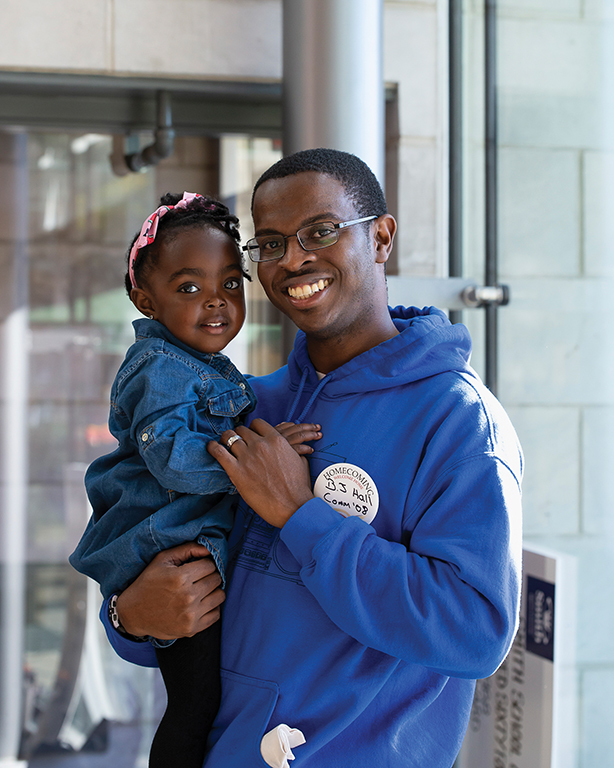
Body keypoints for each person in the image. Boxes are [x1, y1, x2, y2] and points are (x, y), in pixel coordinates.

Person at [100, 150, 523, 768]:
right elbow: (152, 550)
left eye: (320, 232)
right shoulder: (241, 406)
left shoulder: (458, 421)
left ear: (380, 237)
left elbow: (474, 631)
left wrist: (301, 514)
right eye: (269, 244)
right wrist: (129, 616)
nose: (294, 259)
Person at [69, 191, 320, 768]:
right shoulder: (162, 367)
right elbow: (171, 460)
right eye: (189, 288)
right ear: (144, 298)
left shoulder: (207, 369)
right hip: (175, 551)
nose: (216, 302)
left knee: (202, 701)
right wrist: (260, 463)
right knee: (194, 704)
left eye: (232, 284)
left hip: (187, 551)